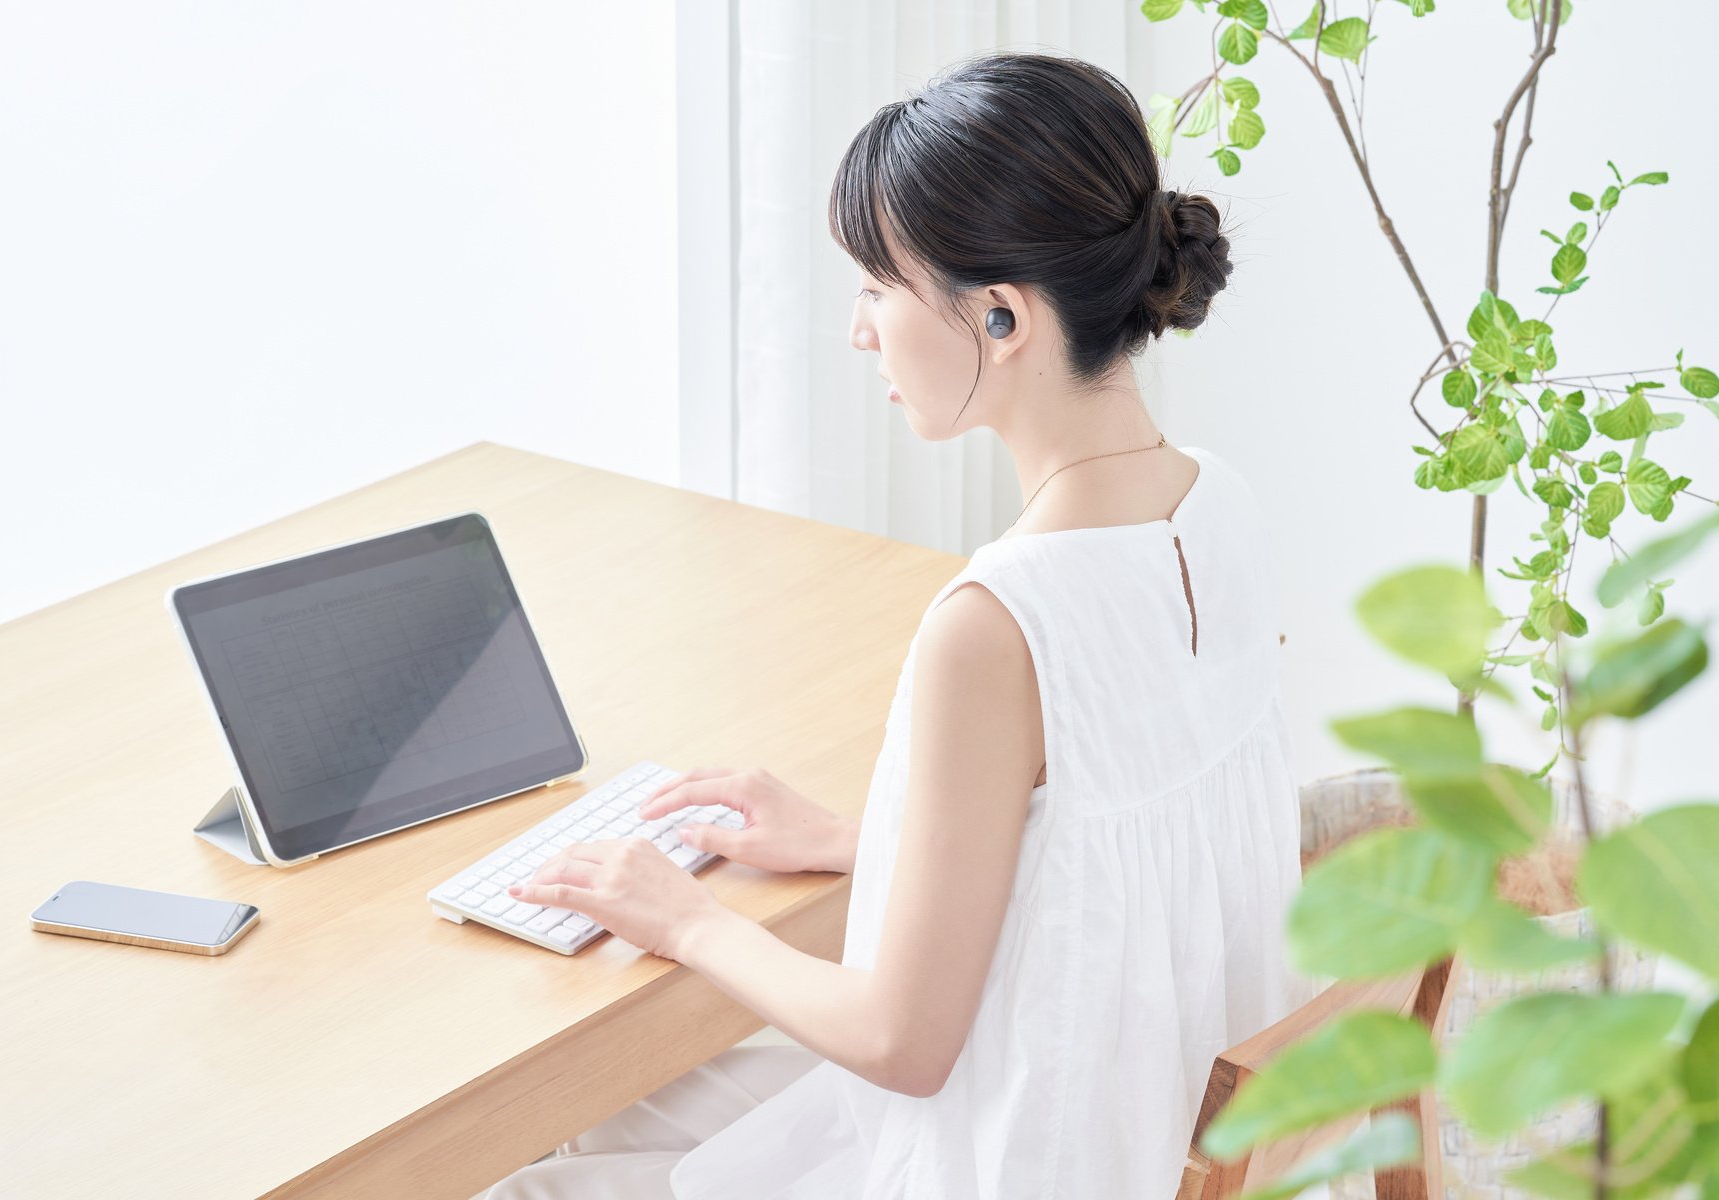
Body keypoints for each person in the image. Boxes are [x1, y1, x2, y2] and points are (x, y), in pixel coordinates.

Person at [477, 49, 1316, 1200]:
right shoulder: (1218, 505)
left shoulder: (997, 621)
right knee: (608, 1125)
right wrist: (860, 843)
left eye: (879, 286)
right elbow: (1110, 870)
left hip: (1023, 1153)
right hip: (1134, 1121)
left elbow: (901, 1045)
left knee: (534, 1171)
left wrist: (684, 919)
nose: (862, 331)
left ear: (1002, 315)